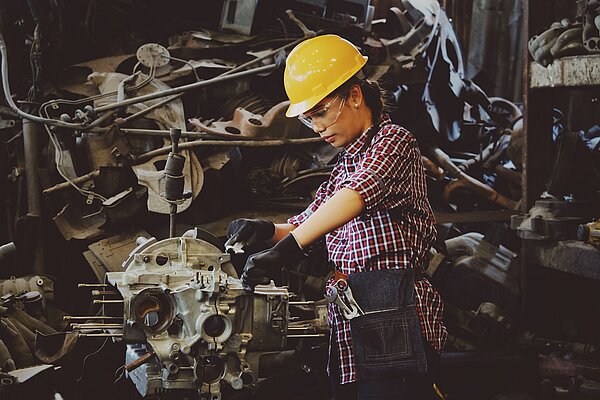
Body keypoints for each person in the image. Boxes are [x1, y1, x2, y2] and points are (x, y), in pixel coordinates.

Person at [225, 34, 447, 399]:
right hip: (352, 316)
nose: (317, 128)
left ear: (355, 96)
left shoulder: (394, 142)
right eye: (310, 119)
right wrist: (264, 231)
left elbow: (356, 196)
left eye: (322, 112)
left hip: (395, 313)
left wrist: (290, 249)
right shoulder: (344, 166)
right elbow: (307, 222)